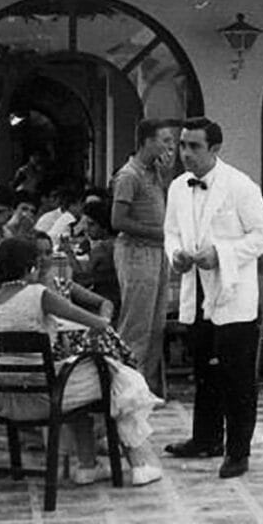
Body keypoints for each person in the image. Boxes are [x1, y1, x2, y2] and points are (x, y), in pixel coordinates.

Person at [0, 238, 162, 486]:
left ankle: (88, 465)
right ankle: (140, 462)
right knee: (118, 375)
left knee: (87, 381)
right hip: (43, 396)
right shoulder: (39, 294)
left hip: (2, 399)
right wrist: (100, 322)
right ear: (32, 267)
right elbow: (97, 323)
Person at [163, 117, 263, 480]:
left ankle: (237, 451)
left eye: (194, 146)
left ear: (215, 149)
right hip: (196, 290)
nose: (185, 154)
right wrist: (177, 253)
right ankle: (206, 438)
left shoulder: (240, 186)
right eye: (182, 145)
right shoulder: (179, 187)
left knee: (237, 376)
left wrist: (223, 254)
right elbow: (171, 232)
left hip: (232, 294)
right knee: (204, 370)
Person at [111, 118, 176, 398]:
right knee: (137, 324)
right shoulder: (130, 175)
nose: (170, 147)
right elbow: (118, 220)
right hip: (137, 252)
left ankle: (145, 386)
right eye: (165, 141)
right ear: (148, 142)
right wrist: (158, 233)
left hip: (157, 253)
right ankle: (126, 389)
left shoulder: (154, 173)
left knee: (156, 324)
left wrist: (166, 177)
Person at [75, 200, 120, 316]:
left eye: (91, 224)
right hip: (122, 299)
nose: (86, 229)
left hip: (102, 301)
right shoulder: (121, 244)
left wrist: (68, 252)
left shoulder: (102, 249)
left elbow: (82, 280)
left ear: (104, 226)